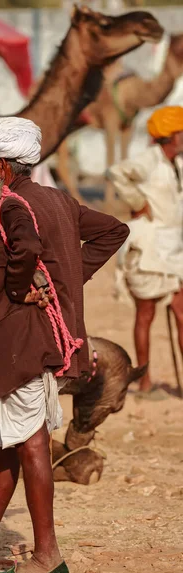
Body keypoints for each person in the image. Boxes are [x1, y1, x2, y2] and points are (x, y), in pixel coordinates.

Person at [0, 115, 129, 573]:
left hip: (23, 342)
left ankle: (47, 554)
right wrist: (66, 275)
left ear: (2, 167)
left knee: (30, 444)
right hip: (39, 340)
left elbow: (26, 247)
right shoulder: (57, 199)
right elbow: (114, 230)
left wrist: (19, 286)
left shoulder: (12, 206)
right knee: (8, 443)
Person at [108, 105, 183, 399]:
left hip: (174, 251)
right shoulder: (148, 161)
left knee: (180, 313)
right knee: (146, 314)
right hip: (148, 249)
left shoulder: (176, 163)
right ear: (171, 135)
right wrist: (137, 201)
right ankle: (145, 381)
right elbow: (116, 172)